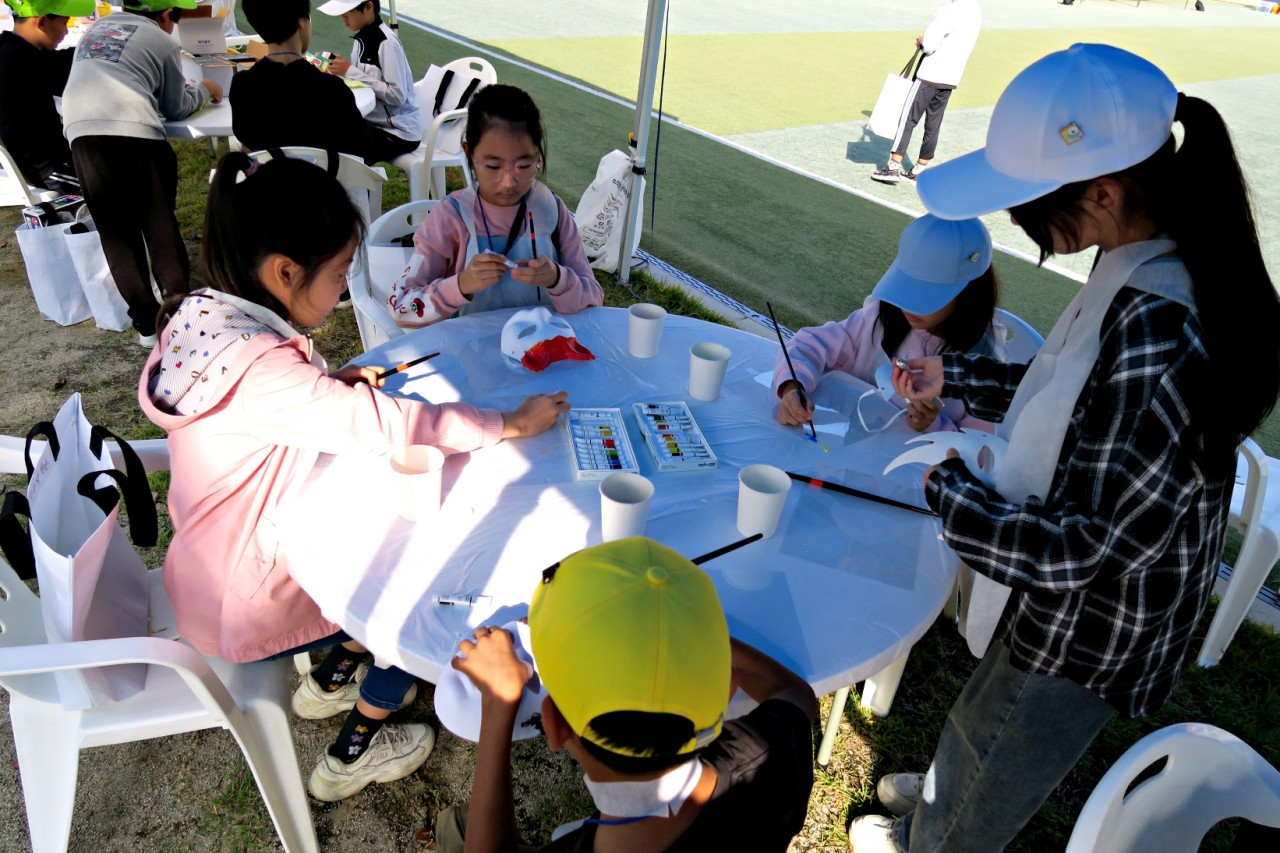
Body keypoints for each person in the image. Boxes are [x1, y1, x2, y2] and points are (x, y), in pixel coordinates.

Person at [849, 43, 1280, 852]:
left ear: (1105, 192)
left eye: (1030, 206)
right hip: (1063, 596)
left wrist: (951, 491)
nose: (1024, 225)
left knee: (1007, 737)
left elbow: (1092, 547)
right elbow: (1069, 396)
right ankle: (946, 792)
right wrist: (960, 389)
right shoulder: (1142, 251)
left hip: (1092, 624)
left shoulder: (1167, 334)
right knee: (986, 707)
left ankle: (940, 835)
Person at [136, 151, 571, 802]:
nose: (344, 291)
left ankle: (330, 678)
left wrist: (324, 386)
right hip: (247, 598)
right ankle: (350, 753)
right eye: (339, 274)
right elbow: (399, 426)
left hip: (208, 561)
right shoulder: (267, 374)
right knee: (415, 593)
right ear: (285, 271)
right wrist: (507, 422)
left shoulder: (202, 312)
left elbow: (263, 407)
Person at [438, 537, 818, 852]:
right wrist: (679, 624)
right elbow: (795, 695)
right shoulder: (768, 757)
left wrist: (499, 703)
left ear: (552, 725)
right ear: (727, 689)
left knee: (456, 825)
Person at [61, 0, 223, 348]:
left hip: (82, 134)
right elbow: (176, 106)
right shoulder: (163, 41)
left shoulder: (96, 29)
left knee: (116, 232)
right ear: (166, 15)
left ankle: (146, 325)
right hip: (135, 131)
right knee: (158, 223)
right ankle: (179, 310)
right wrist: (207, 89)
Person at [389, 83, 603, 327]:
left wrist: (558, 279)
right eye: (492, 166)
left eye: (524, 166)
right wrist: (461, 285)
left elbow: (594, 298)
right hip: (471, 357)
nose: (509, 182)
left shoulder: (551, 209)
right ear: (469, 155)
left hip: (545, 352)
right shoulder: (450, 218)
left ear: (538, 157)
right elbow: (401, 307)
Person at [772, 214, 1003, 434]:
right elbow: (808, 344)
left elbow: (983, 455)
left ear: (969, 294)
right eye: (905, 288)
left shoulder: (983, 370)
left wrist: (934, 425)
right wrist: (793, 386)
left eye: (925, 295)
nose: (908, 306)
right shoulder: (879, 319)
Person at [230, 0, 383, 161]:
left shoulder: (242, 86)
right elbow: (359, 148)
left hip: (269, 183)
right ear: (301, 22)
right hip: (323, 183)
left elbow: (245, 135)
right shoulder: (332, 90)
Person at [871, 0, 981, 185]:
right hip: (951, 77)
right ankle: (920, 169)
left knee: (907, 119)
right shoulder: (976, 10)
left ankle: (893, 166)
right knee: (933, 124)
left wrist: (922, 41)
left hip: (930, 73)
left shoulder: (949, 9)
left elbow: (929, 44)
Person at [0, 0, 88, 194]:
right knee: (114, 183)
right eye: (64, 23)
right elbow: (66, 66)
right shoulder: (24, 62)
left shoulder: (9, 48)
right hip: (45, 168)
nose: (66, 32)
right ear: (41, 22)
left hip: (36, 160)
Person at [317, 0, 421, 164]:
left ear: (369, 7)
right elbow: (362, 79)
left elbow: (397, 96)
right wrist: (338, 68)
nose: (344, 20)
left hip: (398, 132)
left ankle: (356, 187)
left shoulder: (387, 43)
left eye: (347, 15)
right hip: (372, 122)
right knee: (327, 131)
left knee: (341, 148)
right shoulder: (361, 37)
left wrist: (350, 71)